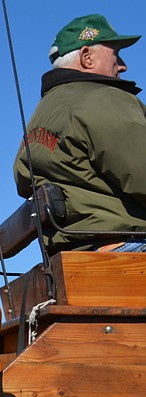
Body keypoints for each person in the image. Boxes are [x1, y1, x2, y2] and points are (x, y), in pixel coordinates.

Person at [14, 14, 146, 252]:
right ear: (86, 57)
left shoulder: (39, 117)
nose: (123, 65)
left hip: (71, 256)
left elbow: (23, 182)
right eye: (115, 54)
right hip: (127, 247)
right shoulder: (104, 98)